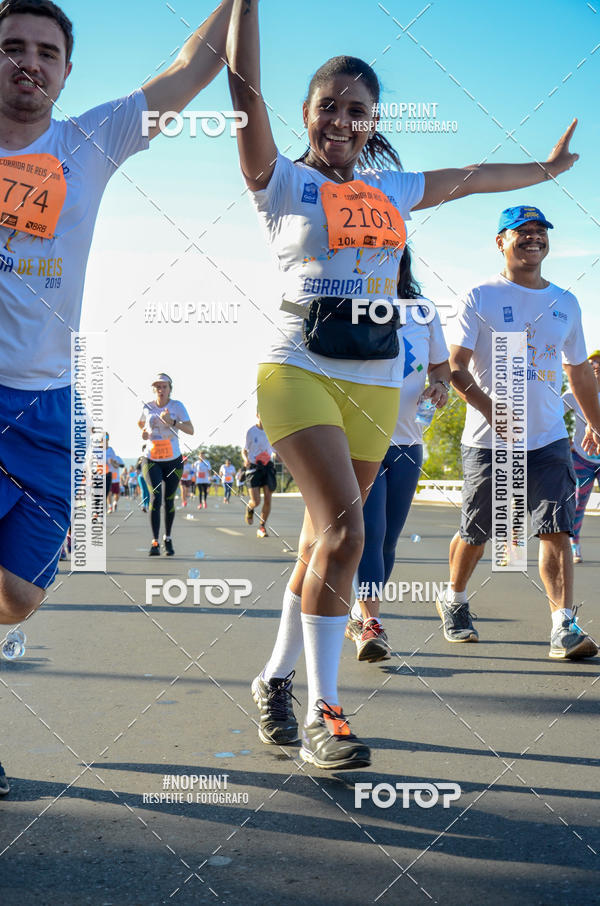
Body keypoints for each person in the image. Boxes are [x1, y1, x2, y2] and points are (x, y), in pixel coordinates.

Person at [227, 0, 581, 769]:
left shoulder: (391, 189)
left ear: (373, 119)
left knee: (319, 544)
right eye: (329, 108)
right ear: (307, 114)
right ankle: (326, 713)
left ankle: (272, 681)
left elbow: (473, 175)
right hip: (299, 368)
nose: (343, 121)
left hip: (377, 380)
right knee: (346, 535)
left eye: (358, 111)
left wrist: (547, 171)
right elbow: (243, 87)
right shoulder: (281, 181)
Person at [0, 0, 233, 794]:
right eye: (11, 48)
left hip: (49, 407)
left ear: (67, 71)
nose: (27, 62)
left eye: (45, 52)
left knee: (19, 597)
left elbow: (191, 71)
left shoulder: (87, 142)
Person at [438, 205, 600, 660]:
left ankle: (563, 626)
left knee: (556, 529)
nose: (533, 238)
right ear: (501, 242)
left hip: (549, 437)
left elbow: (580, 374)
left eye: (540, 231)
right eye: (521, 231)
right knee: (478, 530)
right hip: (490, 440)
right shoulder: (480, 296)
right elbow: (455, 367)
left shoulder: (566, 302)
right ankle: (454, 599)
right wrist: (494, 411)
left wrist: (597, 425)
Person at [346, 247, 450, 661]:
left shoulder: (423, 311)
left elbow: (441, 367)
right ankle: (371, 623)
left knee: (389, 540)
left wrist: (440, 386)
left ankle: (360, 613)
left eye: (392, 258)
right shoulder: (353, 306)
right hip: (363, 437)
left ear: (404, 264)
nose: (384, 264)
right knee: (370, 533)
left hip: (408, 441)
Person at [139, 374, 193, 556]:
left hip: (173, 460)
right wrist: (144, 433)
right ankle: (154, 541)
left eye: (164, 387)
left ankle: (167, 538)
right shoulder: (147, 406)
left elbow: (191, 430)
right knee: (155, 497)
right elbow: (141, 424)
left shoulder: (177, 406)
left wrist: (173, 422)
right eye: (157, 387)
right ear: (154, 390)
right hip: (151, 458)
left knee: (169, 499)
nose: (161, 390)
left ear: (170, 389)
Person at [563, 349, 600, 563]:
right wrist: (561, 438)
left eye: (599, 365)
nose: (595, 368)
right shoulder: (575, 392)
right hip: (582, 459)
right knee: (578, 503)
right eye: (592, 364)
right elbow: (554, 413)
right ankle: (574, 543)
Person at [243, 415, 276, 538]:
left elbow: (276, 450)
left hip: (267, 467)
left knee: (268, 497)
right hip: (253, 468)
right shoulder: (251, 432)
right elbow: (244, 450)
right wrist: (246, 459)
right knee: (256, 501)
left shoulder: (271, 431)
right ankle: (250, 508)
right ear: (257, 415)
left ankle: (262, 527)